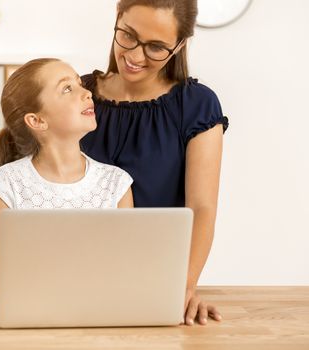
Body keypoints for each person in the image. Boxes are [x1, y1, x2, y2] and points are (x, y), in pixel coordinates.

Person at [79, 0, 228, 326]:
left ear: (179, 46)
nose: (134, 56)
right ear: (117, 16)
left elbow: (201, 208)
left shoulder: (197, 106)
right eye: (127, 35)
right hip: (74, 279)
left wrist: (183, 288)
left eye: (156, 47)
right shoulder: (77, 96)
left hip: (154, 284)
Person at [0, 58, 134, 294]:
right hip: (34, 312)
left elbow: (127, 266)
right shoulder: (7, 185)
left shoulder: (116, 183)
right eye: (67, 88)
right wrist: (60, 287)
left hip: (100, 311)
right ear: (37, 120)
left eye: (80, 84)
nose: (86, 93)